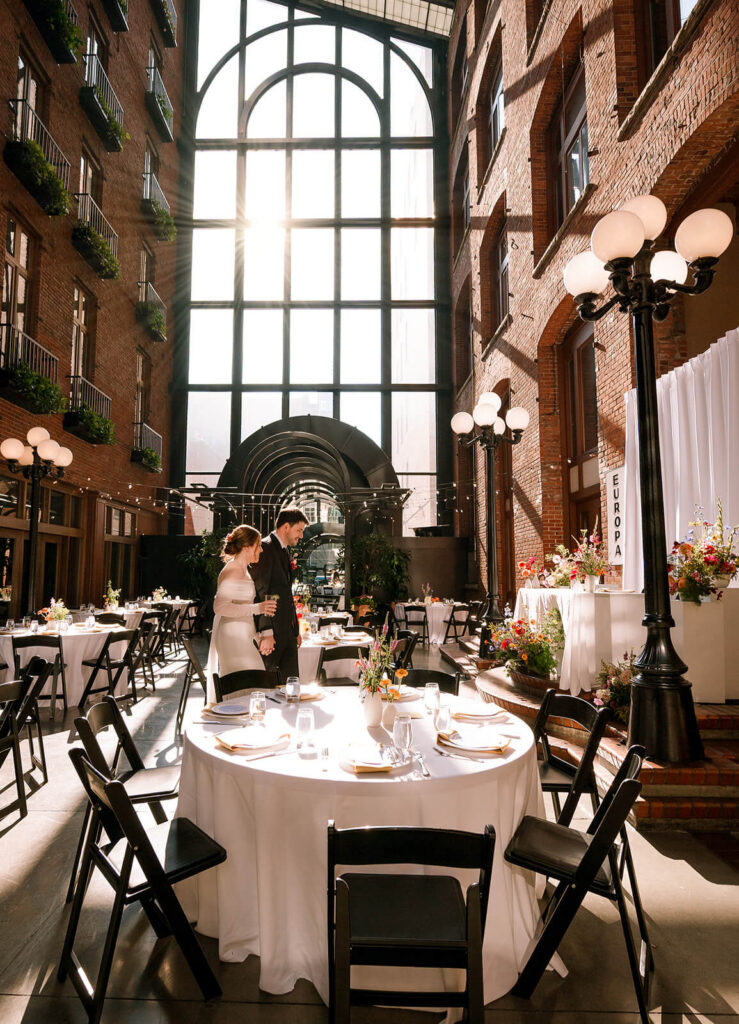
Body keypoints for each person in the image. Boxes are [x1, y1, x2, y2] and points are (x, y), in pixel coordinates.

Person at [205, 525, 277, 699]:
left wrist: (257, 636)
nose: (260, 549)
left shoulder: (243, 569)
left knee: (253, 684)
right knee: (248, 684)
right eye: (258, 545)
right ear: (246, 547)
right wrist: (257, 608)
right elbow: (220, 607)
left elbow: (240, 607)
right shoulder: (233, 570)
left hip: (241, 635)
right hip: (232, 637)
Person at [250, 507, 308, 682]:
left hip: (287, 632)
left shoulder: (283, 550)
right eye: (299, 530)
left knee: (291, 685)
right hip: (273, 632)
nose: (301, 536)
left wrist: (294, 629)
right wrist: (266, 631)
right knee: (268, 687)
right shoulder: (265, 548)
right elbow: (262, 591)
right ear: (285, 528)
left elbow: (286, 594)